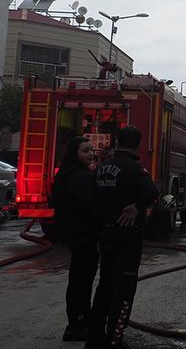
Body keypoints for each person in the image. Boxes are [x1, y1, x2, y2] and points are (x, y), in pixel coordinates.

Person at [86, 126, 159, 349]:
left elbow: (93, 199)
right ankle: (115, 338)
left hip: (105, 233)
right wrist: (137, 208)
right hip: (127, 235)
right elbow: (152, 193)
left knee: (105, 286)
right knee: (125, 289)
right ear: (137, 144)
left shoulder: (102, 168)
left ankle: (94, 338)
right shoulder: (134, 168)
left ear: (117, 141)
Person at [53, 136, 98, 342]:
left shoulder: (68, 173)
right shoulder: (79, 177)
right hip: (83, 235)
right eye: (85, 150)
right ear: (75, 154)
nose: (90, 153)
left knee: (80, 277)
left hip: (75, 234)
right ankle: (77, 324)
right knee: (81, 279)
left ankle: (80, 320)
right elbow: (88, 205)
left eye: (91, 150)